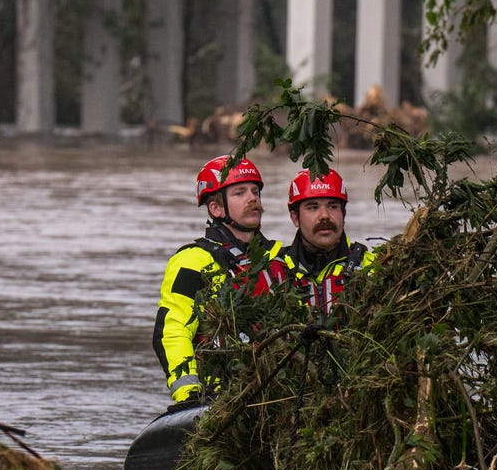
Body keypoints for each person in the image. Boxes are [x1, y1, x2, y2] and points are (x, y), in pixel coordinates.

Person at [152, 154, 286, 402]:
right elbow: (173, 331)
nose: (252, 198)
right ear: (216, 208)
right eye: (240, 193)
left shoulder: (279, 260)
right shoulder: (193, 261)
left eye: (255, 191)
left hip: (276, 390)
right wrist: (189, 395)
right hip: (218, 395)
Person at [278, 168, 374, 314]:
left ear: (344, 213)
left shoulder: (371, 268)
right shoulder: (276, 272)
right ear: (295, 217)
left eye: (333, 206)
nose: (325, 215)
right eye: (313, 207)